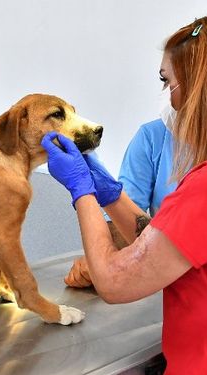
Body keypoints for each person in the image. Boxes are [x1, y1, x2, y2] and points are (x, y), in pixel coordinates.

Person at [42, 13, 207, 375]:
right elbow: (165, 245)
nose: (167, 99)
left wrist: (82, 191)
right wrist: (111, 195)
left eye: (166, 81)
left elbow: (111, 279)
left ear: (201, 85)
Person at [64, 118, 176, 287]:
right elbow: (126, 228)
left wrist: (104, 264)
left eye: (172, 88)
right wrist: (104, 258)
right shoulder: (154, 137)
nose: (167, 91)